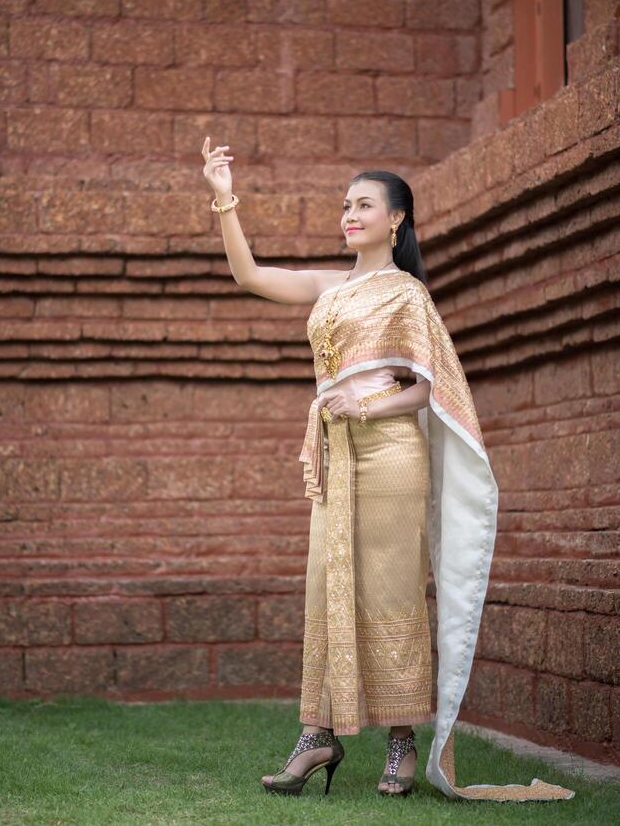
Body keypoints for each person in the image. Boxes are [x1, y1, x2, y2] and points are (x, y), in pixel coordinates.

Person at [200, 137, 575, 804]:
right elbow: (250, 276)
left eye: (363, 204)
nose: (349, 214)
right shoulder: (329, 284)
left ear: (395, 218)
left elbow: (434, 389)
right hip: (334, 456)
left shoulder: (407, 295)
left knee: (392, 592)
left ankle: (401, 744)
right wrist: (223, 193)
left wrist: (366, 408)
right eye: (345, 204)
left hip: (390, 451)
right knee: (326, 585)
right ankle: (318, 733)